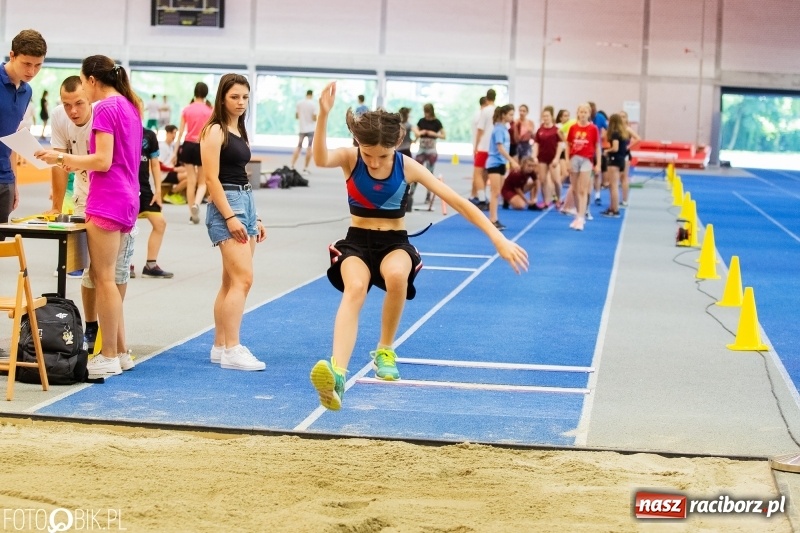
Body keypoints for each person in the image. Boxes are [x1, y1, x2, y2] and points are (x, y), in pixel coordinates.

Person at [308, 81, 528, 411]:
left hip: (394, 242)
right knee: (355, 287)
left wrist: (497, 238)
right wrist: (323, 116)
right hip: (356, 241)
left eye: (381, 155)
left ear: (396, 144)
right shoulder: (350, 158)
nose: (372, 161)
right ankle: (337, 376)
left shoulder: (407, 166)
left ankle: (385, 349)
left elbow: (459, 202)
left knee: (397, 276)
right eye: (367, 153)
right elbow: (321, 157)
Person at [36, 55, 143, 377]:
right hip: (125, 196)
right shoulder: (128, 105)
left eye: (83, 83)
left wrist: (61, 156)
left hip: (108, 199)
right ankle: (121, 352)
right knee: (109, 279)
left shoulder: (106, 108)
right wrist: (72, 162)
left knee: (104, 280)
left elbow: (103, 161)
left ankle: (108, 354)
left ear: (92, 81)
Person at [200, 73, 267, 371]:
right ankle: (232, 349)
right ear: (222, 98)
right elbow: (211, 178)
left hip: (246, 202)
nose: (241, 103)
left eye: (245, 98)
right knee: (243, 279)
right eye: (234, 97)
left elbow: (240, 174)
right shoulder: (214, 130)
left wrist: (256, 217)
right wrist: (230, 217)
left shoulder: (236, 129)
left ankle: (220, 345)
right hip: (229, 204)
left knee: (230, 281)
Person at [0, 29, 47, 226]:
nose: (32, 71)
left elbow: (12, 138)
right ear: (12, 55)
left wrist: (15, 182)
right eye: (27, 64)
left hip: (5, 178)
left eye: (38, 66)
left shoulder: (27, 92)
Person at [135, 126, 174, 277]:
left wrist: (158, 190)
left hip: (144, 188)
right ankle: (125, 264)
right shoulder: (120, 131)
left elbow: (155, 164)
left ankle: (150, 265)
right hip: (126, 186)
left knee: (160, 223)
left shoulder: (149, 135)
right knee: (125, 228)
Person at [174, 82, 213, 224]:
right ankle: (197, 203)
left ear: (194, 92)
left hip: (188, 146)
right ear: (206, 94)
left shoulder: (187, 110)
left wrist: (175, 152)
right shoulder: (210, 110)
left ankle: (192, 214)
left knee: (191, 182)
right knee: (202, 183)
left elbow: (180, 133)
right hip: (202, 146)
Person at [564, 103, 601, 231]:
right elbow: (568, 145)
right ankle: (578, 214)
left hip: (587, 159)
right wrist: (567, 161)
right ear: (578, 113)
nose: (583, 114)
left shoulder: (593, 129)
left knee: (583, 189)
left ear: (589, 114)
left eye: (586, 112)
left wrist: (598, 164)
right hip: (574, 158)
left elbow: (597, 147)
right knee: (574, 189)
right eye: (581, 112)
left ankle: (581, 217)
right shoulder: (573, 128)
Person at [486, 104, 519, 230]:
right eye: (510, 114)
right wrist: (512, 161)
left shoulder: (504, 128)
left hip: (500, 163)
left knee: (498, 192)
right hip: (494, 162)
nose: (512, 117)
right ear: (503, 115)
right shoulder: (499, 129)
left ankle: (495, 218)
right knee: (495, 193)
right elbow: (500, 148)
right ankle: (492, 220)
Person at [600, 113, 631, 217]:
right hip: (621, 159)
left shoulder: (615, 133)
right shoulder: (622, 133)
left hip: (614, 159)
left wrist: (607, 151)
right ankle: (612, 207)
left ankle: (615, 209)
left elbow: (615, 148)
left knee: (613, 186)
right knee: (613, 185)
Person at [470, 88, 496, 205]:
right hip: (493, 147)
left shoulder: (484, 111)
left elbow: (480, 130)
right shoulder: (498, 111)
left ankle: (481, 198)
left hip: (483, 146)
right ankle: (483, 195)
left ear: (487, 98)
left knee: (477, 173)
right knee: (485, 173)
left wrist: (475, 146)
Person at [533, 106, 561, 207]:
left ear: (551, 117)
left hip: (553, 158)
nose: (545, 118)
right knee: (543, 180)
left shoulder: (556, 130)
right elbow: (536, 144)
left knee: (557, 181)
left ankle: (558, 199)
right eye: (544, 116)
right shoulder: (540, 130)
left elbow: (561, 144)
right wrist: (534, 156)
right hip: (542, 158)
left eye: (547, 116)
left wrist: (557, 158)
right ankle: (546, 201)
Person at [290, 89, 317, 173]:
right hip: (311, 129)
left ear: (306, 94)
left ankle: (292, 165)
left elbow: (297, 116)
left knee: (298, 147)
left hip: (302, 129)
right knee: (309, 148)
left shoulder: (299, 103)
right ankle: (305, 168)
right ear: (312, 95)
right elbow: (314, 118)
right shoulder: (313, 104)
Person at [159, 124, 187, 204]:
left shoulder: (172, 146)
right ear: (167, 133)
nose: (174, 136)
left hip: (171, 171)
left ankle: (174, 193)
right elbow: (159, 165)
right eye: (173, 133)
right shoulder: (162, 147)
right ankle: (171, 194)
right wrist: (174, 169)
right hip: (164, 174)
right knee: (189, 176)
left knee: (190, 177)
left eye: (175, 133)